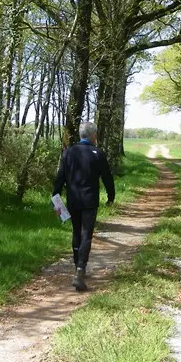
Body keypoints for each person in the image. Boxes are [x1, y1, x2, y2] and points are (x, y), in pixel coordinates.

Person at [53, 121, 115, 291]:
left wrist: (55, 197)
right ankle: (80, 269)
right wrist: (111, 197)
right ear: (93, 135)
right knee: (86, 233)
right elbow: (107, 178)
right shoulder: (98, 153)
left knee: (76, 232)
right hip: (89, 201)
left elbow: (60, 177)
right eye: (96, 135)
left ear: (81, 135)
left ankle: (77, 267)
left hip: (73, 200)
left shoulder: (68, 152)